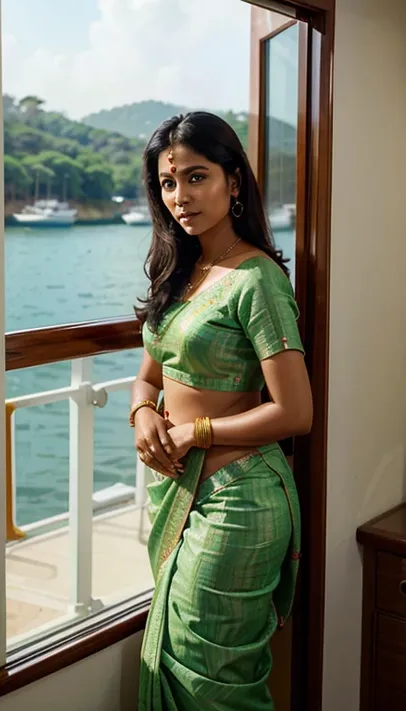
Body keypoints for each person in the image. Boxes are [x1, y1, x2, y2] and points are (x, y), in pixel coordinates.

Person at [130, 111, 312, 711]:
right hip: (179, 492)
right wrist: (144, 414)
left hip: (238, 499)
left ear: (234, 183)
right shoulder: (179, 272)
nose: (180, 197)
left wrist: (197, 431)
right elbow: (149, 374)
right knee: (178, 655)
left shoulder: (256, 279)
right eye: (167, 183)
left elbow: (295, 412)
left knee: (214, 676)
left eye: (197, 177)